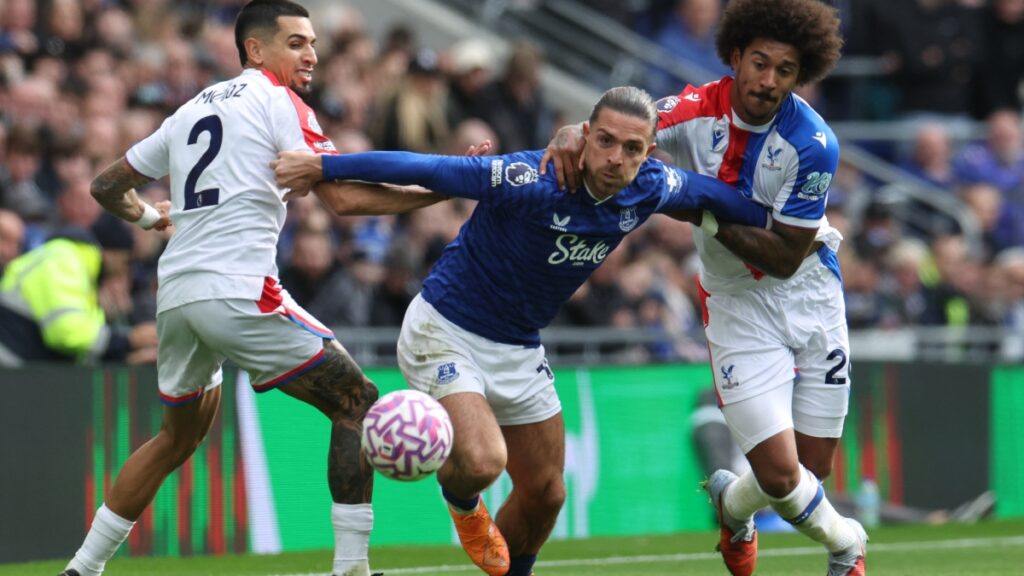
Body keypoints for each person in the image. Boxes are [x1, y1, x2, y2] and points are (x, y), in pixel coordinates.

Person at [273, 85, 771, 576]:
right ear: (586, 134)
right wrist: (325, 166)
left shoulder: (652, 187)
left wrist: (789, 220)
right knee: (484, 462)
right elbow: (425, 167)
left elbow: (721, 198)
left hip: (518, 345)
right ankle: (465, 506)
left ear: (648, 153)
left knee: (547, 493)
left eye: (632, 148)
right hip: (445, 328)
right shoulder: (530, 176)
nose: (616, 157)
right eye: (605, 140)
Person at [55, 2, 422, 575]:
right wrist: (442, 191)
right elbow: (345, 199)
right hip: (239, 289)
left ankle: (82, 567)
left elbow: (106, 185)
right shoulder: (280, 102)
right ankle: (352, 568)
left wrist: (153, 221)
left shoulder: (189, 110)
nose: (312, 55)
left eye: (314, 43)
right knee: (358, 404)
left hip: (177, 293)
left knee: (174, 440)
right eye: (297, 42)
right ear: (256, 49)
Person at [541, 1, 866, 574]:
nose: (768, 80)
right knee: (782, 477)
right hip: (735, 304)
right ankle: (848, 545)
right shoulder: (694, 107)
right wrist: (575, 130)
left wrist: (699, 205)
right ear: (736, 56)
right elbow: (631, 119)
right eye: (759, 63)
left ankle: (731, 503)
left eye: (784, 71)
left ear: (800, 76)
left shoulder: (814, 144)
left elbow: (786, 257)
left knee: (810, 476)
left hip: (810, 295)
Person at [0, 227, 156, 367]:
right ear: (112, 254)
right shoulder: (63, 259)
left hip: (21, 373)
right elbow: (66, 334)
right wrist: (130, 339)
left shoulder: (79, 268)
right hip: (9, 373)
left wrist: (126, 357)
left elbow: (80, 351)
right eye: (127, 262)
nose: (125, 271)